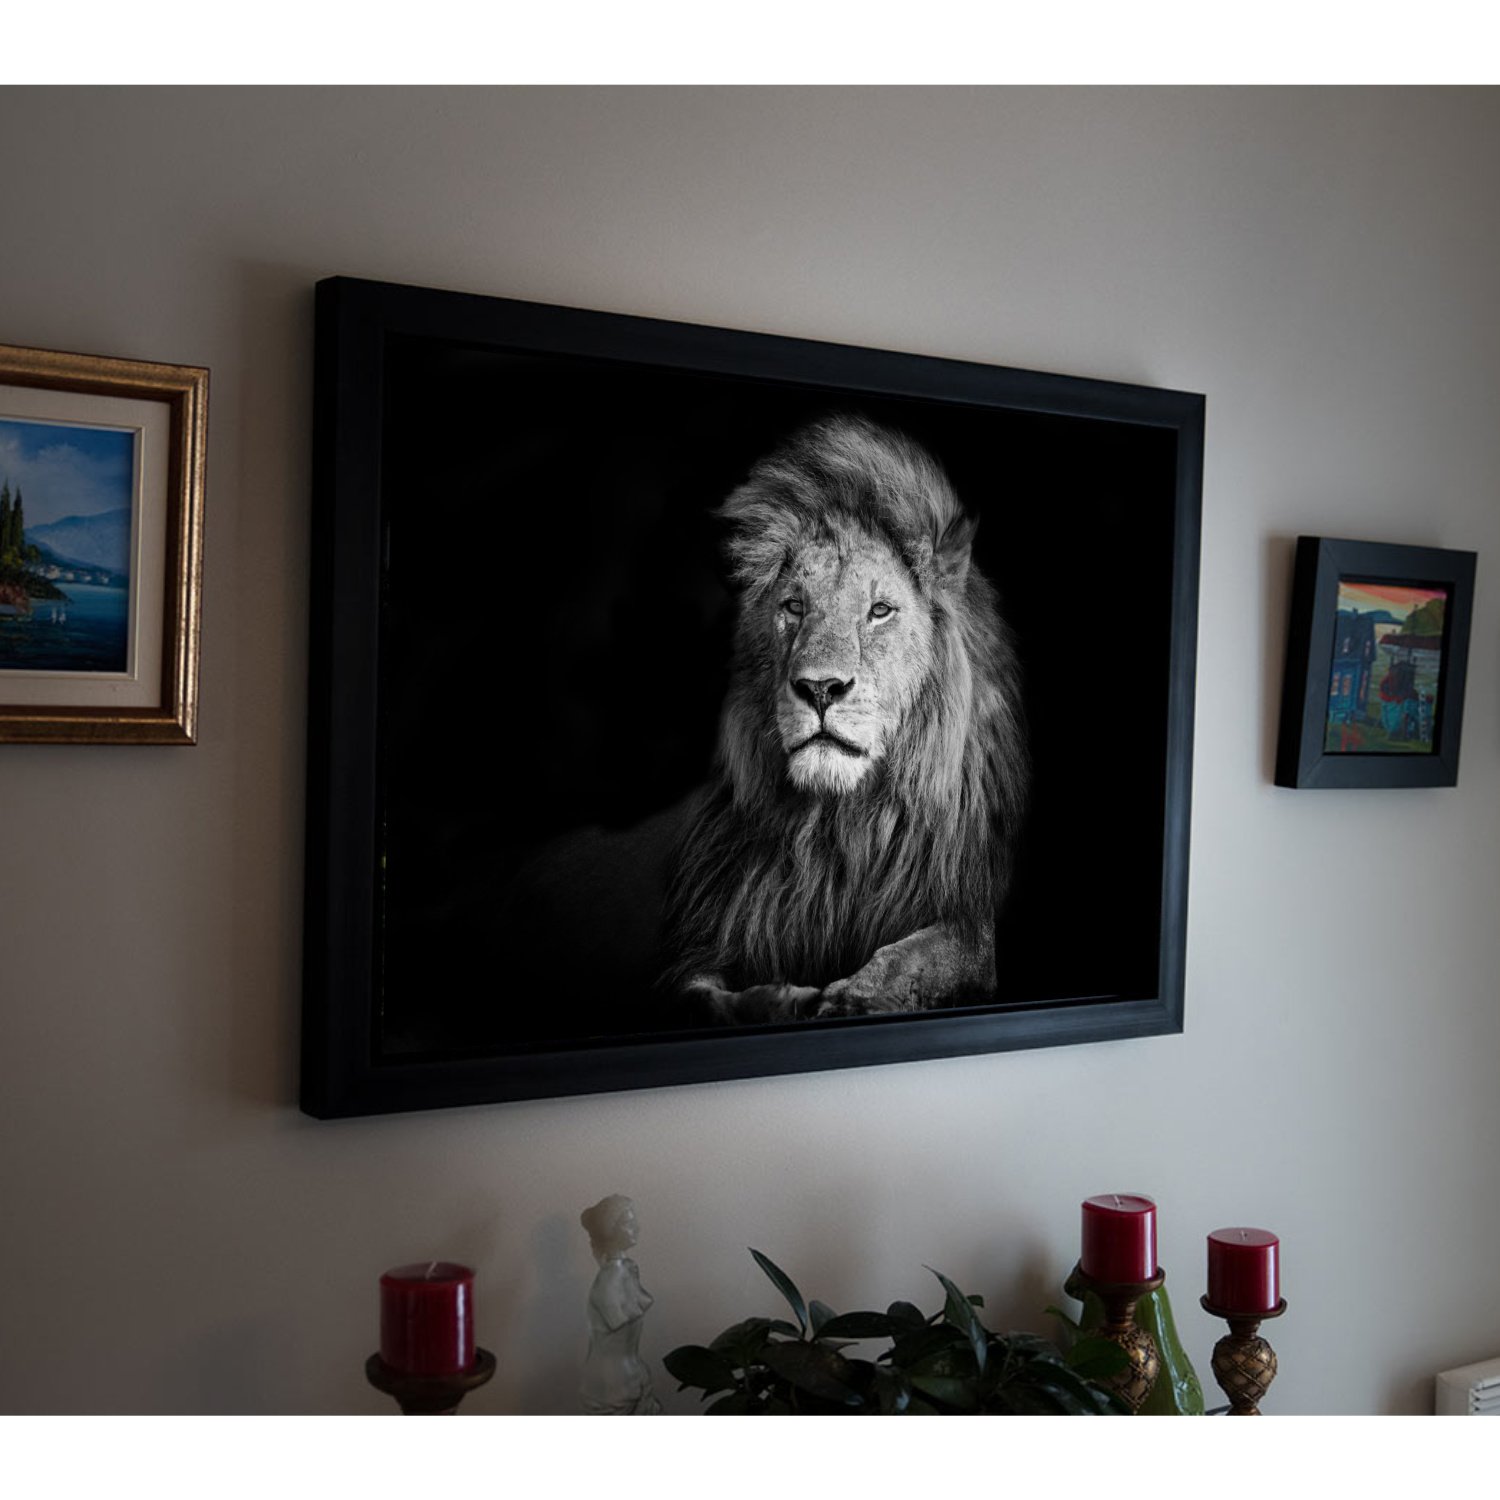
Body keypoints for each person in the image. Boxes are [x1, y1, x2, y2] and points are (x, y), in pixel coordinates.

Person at [580, 1194, 661, 1414]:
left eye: (635, 1221)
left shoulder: (626, 1269)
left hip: (633, 1377)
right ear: (610, 1229)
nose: (636, 1228)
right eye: (628, 1223)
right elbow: (620, 1319)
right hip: (611, 1386)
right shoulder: (609, 1281)